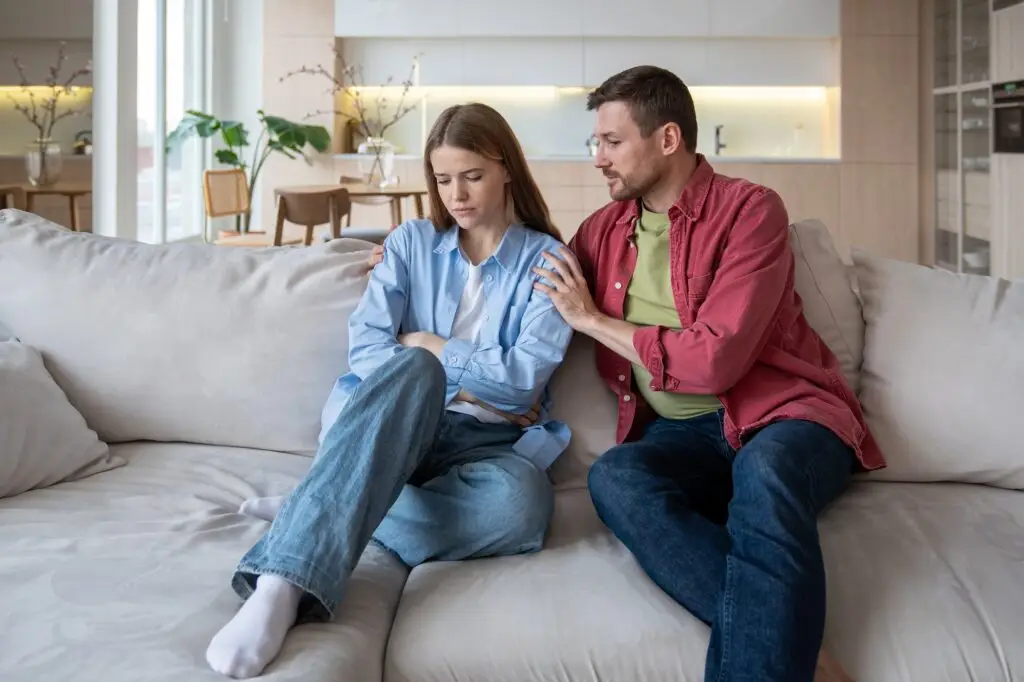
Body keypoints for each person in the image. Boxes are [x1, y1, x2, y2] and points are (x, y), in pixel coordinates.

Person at [532, 65, 886, 682]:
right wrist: (416, 249)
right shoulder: (604, 230)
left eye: (612, 142)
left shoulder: (751, 211)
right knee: (616, 477)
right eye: (597, 143)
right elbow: (524, 264)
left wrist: (593, 322)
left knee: (766, 470)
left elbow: (713, 359)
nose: (598, 159)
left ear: (667, 140)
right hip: (683, 439)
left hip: (785, 419)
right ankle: (797, 647)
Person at [205, 102, 574, 679]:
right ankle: (282, 583)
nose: (457, 194)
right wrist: (452, 372)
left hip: (479, 443)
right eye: (444, 179)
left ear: (506, 169)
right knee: (415, 374)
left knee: (521, 507)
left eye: (473, 176)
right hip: (390, 417)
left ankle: (328, 502)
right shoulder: (409, 244)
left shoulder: (548, 261)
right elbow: (371, 352)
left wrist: (429, 340)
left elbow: (523, 378)